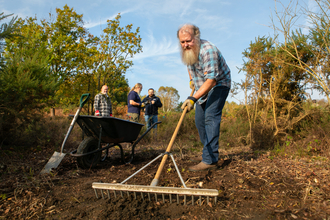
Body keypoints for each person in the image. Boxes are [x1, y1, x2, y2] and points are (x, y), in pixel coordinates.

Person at [178, 24, 231, 172]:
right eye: (182, 42)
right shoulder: (187, 51)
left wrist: (192, 99)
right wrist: (191, 80)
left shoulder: (208, 51)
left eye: (188, 41)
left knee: (210, 117)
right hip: (202, 85)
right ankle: (207, 153)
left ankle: (210, 160)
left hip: (219, 84)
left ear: (197, 37)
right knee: (199, 121)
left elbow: (212, 80)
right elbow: (190, 67)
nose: (185, 45)